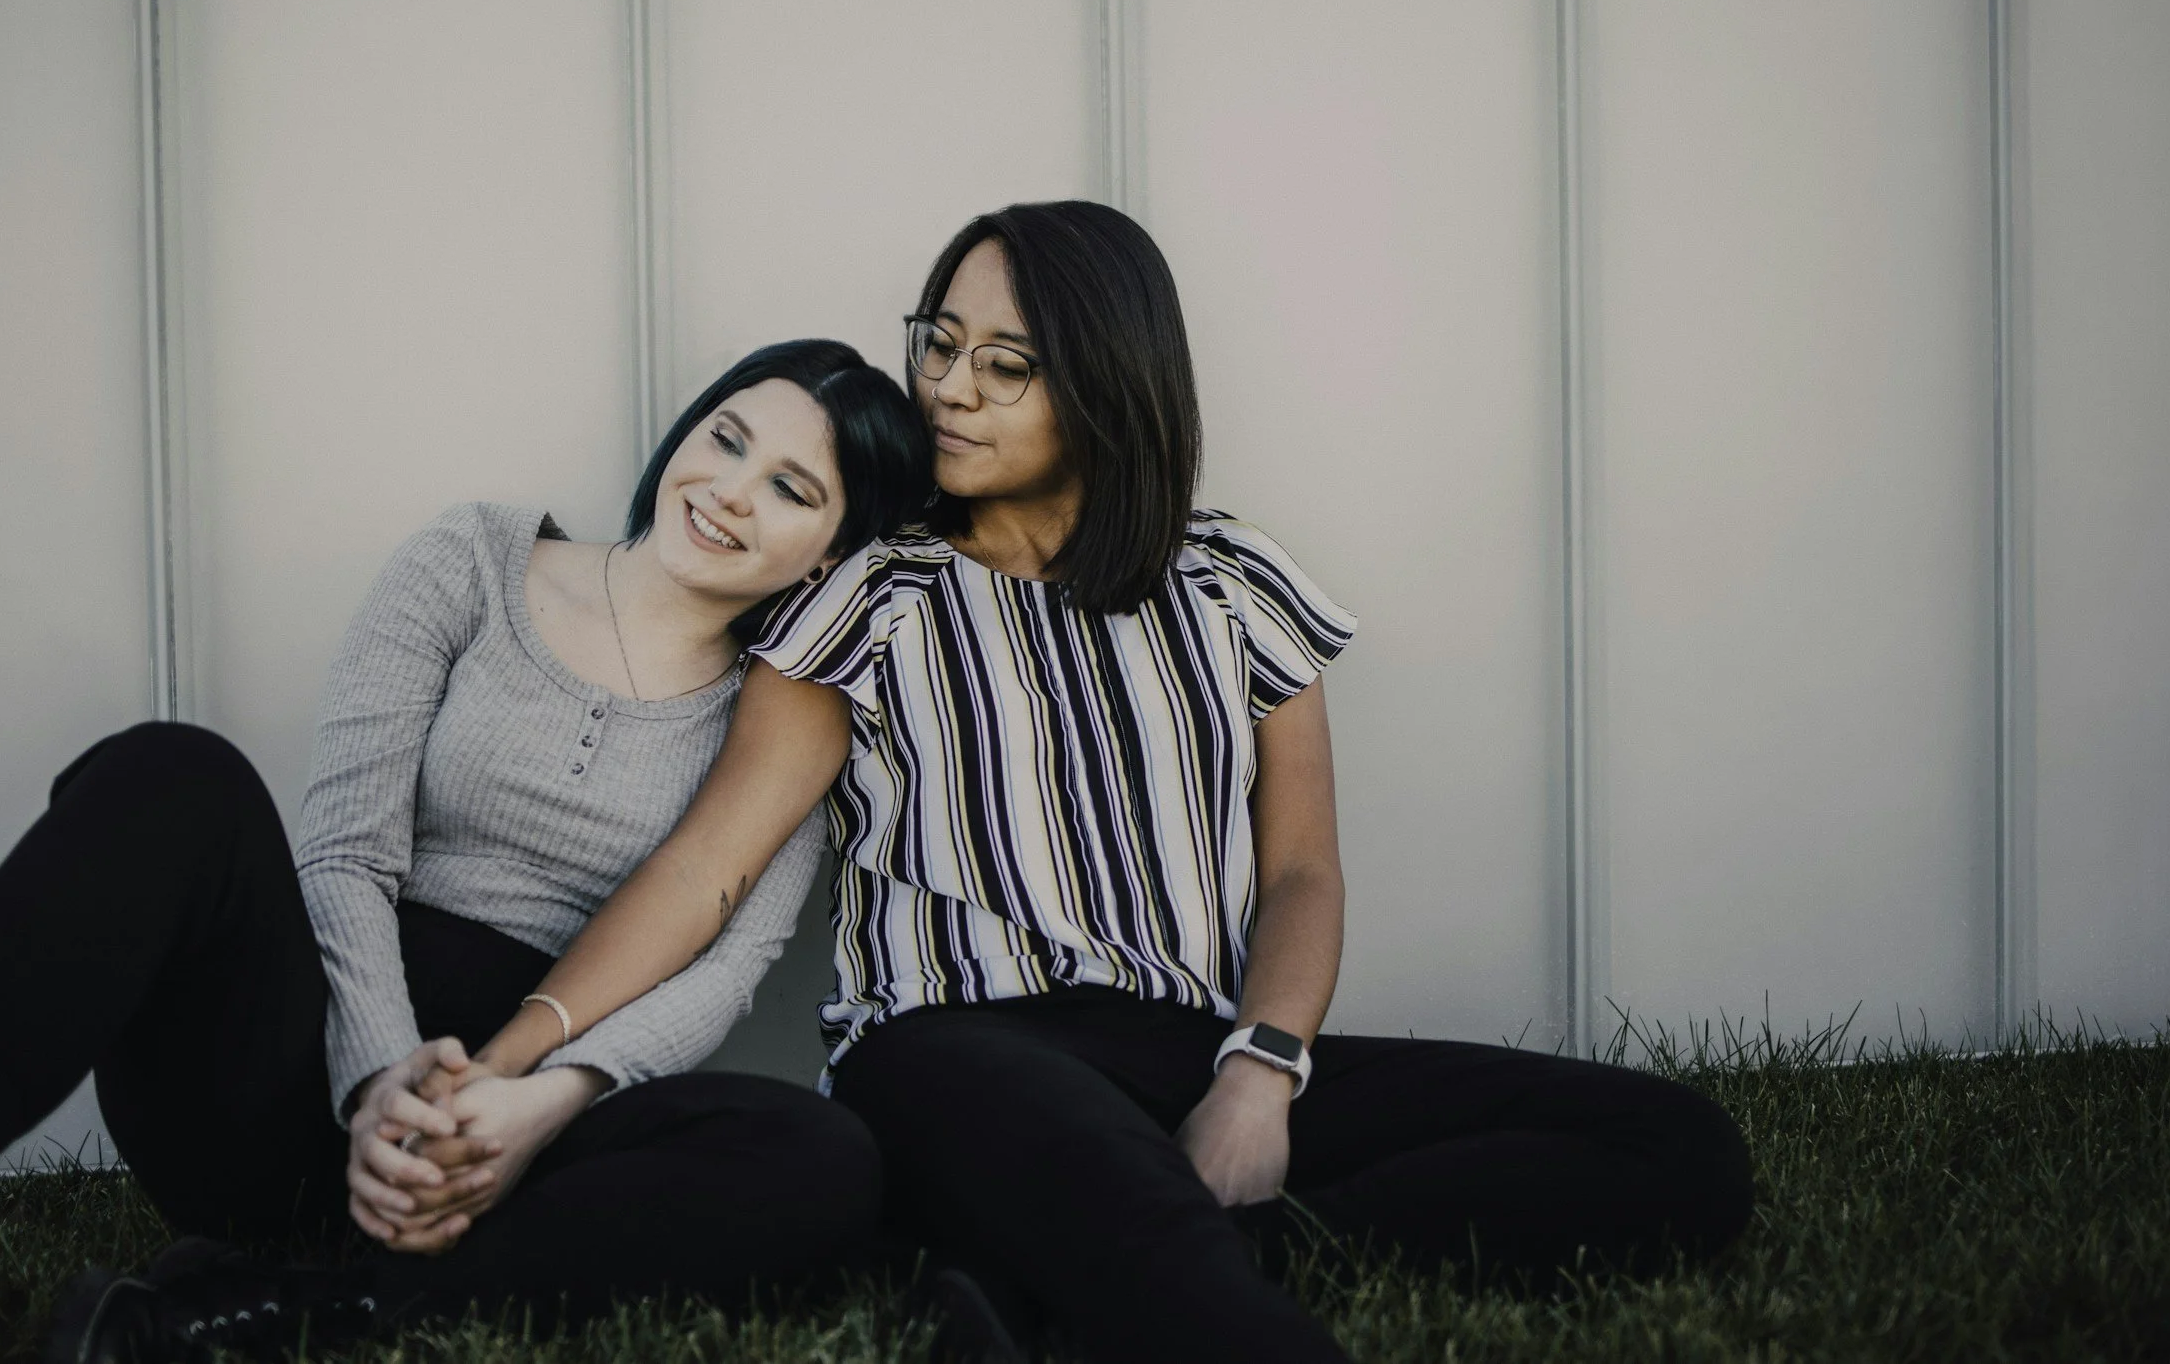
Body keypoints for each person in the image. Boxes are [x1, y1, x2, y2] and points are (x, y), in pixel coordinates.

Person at [430, 203, 1756, 1364]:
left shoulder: (1234, 581)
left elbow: (1301, 865)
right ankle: (1178, 1281)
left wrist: (1259, 1073)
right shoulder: (867, 595)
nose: (948, 385)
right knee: (1038, 1127)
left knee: (1677, 1147)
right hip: (954, 1047)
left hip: (1188, 1048)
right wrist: (507, 1059)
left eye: (1005, 364)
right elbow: (704, 867)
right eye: (939, 341)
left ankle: (1058, 1267)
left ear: (1106, 383)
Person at [0, 339, 936, 1364]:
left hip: (520, 1150)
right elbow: (344, 848)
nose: (728, 490)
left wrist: (519, 1109)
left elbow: (722, 971)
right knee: (172, 773)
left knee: (815, 1152)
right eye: (724, 438)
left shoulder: (783, 718)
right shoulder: (473, 559)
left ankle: (259, 1309)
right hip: (286, 1073)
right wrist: (376, 1079)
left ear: (831, 554)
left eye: (789, 487)